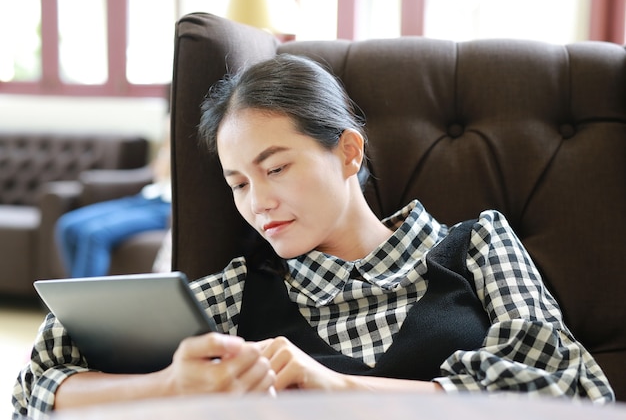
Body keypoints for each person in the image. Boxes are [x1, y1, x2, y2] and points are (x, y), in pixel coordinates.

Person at [13, 54, 614, 418]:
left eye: (275, 168)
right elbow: (37, 386)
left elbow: (571, 394)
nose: (259, 202)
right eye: (238, 183)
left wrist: (335, 387)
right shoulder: (232, 294)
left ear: (348, 151)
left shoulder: (477, 247)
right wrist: (171, 384)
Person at [54, 134, 172, 278]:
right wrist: (168, 142)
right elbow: (157, 172)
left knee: (94, 234)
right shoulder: (171, 133)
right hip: (148, 197)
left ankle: (88, 299)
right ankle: (75, 290)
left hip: (167, 207)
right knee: (67, 225)